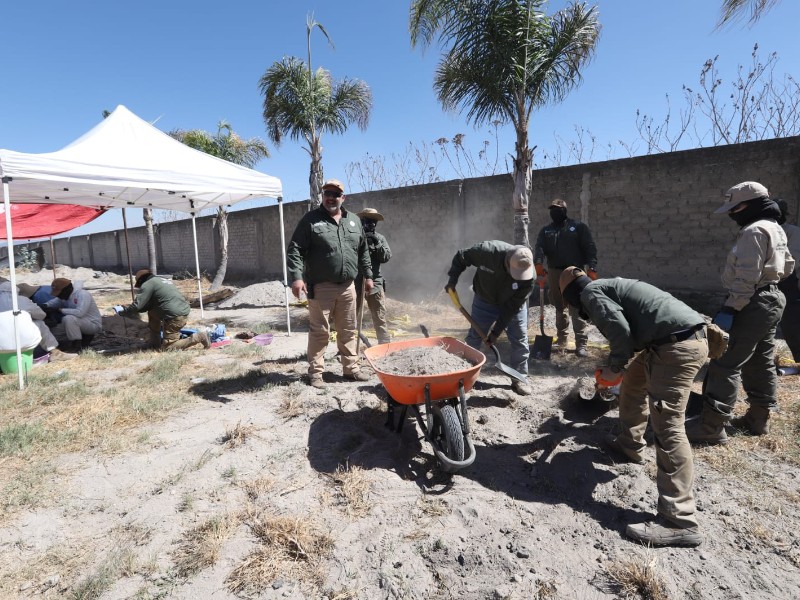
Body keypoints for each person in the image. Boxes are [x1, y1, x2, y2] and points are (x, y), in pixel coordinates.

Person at [559, 266, 708, 546]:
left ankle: (680, 520)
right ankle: (629, 445)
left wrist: (614, 368)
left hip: (676, 348)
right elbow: (632, 329)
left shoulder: (590, 293)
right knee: (633, 383)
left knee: (668, 427)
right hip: (667, 340)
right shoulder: (606, 286)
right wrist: (619, 370)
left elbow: (620, 331)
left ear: (571, 296)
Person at [686, 182, 794, 444]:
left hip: (751, 302)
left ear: (750, 205)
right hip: (772, 298)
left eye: (735, 208)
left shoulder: (754, 231)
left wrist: (731, 308)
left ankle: (711, 427)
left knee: (726, 362)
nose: (733, 214)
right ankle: (759, 418)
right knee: (760, 360)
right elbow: (789, 266)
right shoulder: (775, 228)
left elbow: (746, 276)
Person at [287, 178, 374, 389]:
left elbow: (363, 251)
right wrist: (297, 277)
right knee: (320, 331)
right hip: (321, 286)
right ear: (322, 196)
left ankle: (351, 369)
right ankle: (316, 373)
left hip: (348, 286)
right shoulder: (310, 220)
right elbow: (295, 249)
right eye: (327, 193)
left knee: (349, 329)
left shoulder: (353, 220)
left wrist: (369, 275)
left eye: (336, 194)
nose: (331, 198)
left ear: (343, 198)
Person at [446, 241, 534, 395]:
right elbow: (461, 256)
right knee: (474, 337)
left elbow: (511, 309)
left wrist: (495, 333)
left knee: (520, 339)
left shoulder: (528, 277)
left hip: (512, 305)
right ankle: (464, 374)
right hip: (484, 300)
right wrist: (452, 280)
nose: (519, 278)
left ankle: (520, 377)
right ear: (507, 262)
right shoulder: (487, 251)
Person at [533, 198, 598, 357]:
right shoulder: (546, 230)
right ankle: (562, 339)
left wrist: (592, 268)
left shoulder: (578, 227)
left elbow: (589, 247)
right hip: (555, 272)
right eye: (552, 209)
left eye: (557, 209)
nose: (554, 212)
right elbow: (539, 247)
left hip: (575, 272)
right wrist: (539, 264)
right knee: (559, 306)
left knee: (576, 305)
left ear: (564, 210)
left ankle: (581, 343)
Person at [112, 269, 210, 351]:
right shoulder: (160, 281)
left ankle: (199, 337)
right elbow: (147, 306)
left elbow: (137, 306)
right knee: (152, 312)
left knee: (168, 348)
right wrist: (129, 308)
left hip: (175, 317)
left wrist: (123, 312)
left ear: (141, 280)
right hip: (180, 311)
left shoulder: (148, 284)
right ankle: (155, 343)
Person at [0, 281, 76, 361]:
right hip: (24, 337)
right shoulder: (22, 300)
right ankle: (55, 352)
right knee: (39, 323)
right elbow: (41, 315)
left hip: (1, 342)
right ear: (16, 291)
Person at [355, 208, 392, 345]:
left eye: (373, 222)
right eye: (366, 221)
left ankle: (384, 345)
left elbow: (386, 257)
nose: (370, 224)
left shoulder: (380, 238)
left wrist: (377, 243)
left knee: (379, 316)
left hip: (375, 282)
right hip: (356, 281)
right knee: (351, 316)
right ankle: (349, 347)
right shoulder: (355, 236)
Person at [45, 278, 102, 353]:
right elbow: (49, 304)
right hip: (79, 323)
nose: (58, 296)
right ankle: (66, 343)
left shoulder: (83, 294)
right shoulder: (63, 297)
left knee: (69, 318)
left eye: (59, 293)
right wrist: (41, 307)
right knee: (53, 331)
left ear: (67, 289)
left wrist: (60, 310)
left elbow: (80, 312)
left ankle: (76, 345)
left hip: (92, 324)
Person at [775, 199, 800, 363]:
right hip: (778, 283)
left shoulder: (791, 232)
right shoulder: (766, 231)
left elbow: (794, 260)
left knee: (793, 324)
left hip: (791, 283)